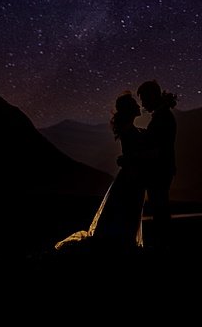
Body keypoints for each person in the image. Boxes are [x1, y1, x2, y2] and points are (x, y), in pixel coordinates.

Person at [55, 92, 147, 250]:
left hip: (132, 176)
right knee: (127, 211)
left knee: (126, 211)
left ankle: (121, 244)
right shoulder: (129, 131)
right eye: (134, 104)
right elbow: (132, 154)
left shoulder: (131, 129)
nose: (138, 106)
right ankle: (121, 246)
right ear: (129, 109)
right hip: (131, 177)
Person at [137, 80, 177, 249]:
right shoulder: (163, 115)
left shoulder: (163, 117)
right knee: (160, 208)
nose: (143, 104)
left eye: (144, 100)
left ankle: (163, 245)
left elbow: (158, 147)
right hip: (163, 169)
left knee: (160, 209)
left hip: (160, 170)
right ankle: (164, 243)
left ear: (151, 97)